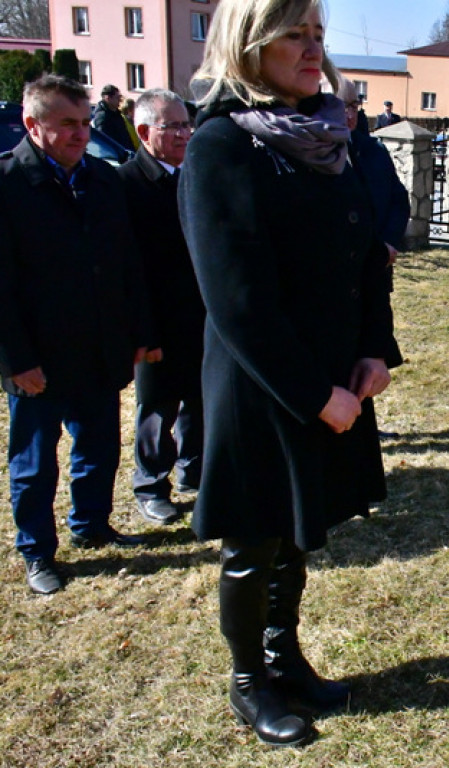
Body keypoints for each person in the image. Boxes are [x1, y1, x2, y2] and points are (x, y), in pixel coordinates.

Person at [180, 0, 400, 748]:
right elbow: (235, 299)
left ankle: (285, 660)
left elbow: (368, 249)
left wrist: (374, 348)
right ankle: (250, 683)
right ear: (250, 43)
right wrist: (315, 396)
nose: (313, 50)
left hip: (334, 370)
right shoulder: (221, 146)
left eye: (318, 35)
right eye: (294, 36)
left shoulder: (329, 132)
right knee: (255, 537)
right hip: (261, 382)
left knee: (296, 533)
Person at [0, 74, 150, 595]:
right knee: (36, 461)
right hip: (37, 357)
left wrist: (137, 331)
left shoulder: (104, 181)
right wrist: (16, 360)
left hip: (98, 347)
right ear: (31, 124)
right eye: (66, 124)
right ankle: (37, 551)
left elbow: (128, 265)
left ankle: (91, 524)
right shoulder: (8, 184)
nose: (80, 134)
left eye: (86, 123)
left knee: (99, 445)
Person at [117, 89, 205, 526]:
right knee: (157, 408)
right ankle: (151, 484)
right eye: (174, 126)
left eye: (187, 124)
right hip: (156, 321)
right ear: (145, 130)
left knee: (201, 400)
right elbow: (127, 269)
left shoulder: (196, 176)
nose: (185, 133)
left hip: (201, 317)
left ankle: (195, 470)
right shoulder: (126, 185)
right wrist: (142, 332)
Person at [339, 77, 410, 271]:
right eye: (342, 106)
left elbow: (399, 200)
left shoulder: (374, 150)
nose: (350, 115)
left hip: (374, 270)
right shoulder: (307, 155)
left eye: (354, 107)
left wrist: (388, 243)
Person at [92, 84, 134, 151]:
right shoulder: (102, 117)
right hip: (115, 157)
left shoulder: (117, 113)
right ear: (108, 98)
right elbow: (105, 142)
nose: (120, 100)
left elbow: (126, 136)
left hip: (126, 153)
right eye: (117, 98)